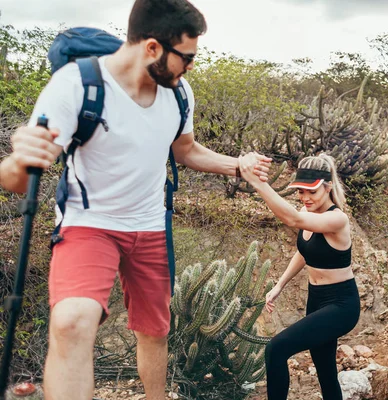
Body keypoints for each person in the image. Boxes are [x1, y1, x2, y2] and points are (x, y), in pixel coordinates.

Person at [0, 1, 271, 399]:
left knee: (154, 332)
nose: (191, 66)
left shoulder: (178, 94)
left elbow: (186, 150)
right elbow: (17, 182)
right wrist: (19, 157)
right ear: (152, 48)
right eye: (187, 57)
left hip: (149, 226)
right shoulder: (77, 86)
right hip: (87, 223)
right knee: (72, 321)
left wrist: (237, 165)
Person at [239, 153, 360, 400]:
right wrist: (280, 285)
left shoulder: (336, 219)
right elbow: (304, 252)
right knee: (326, 371)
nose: (305, 198)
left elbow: (292, 218)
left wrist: (259, 183)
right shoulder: (312, 215)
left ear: (327, 188)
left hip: (341, 304)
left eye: (311, 192)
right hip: (316, 300)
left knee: (276, 348)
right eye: (301, 192)